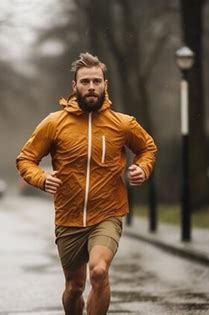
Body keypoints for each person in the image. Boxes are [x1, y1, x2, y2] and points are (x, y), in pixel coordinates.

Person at [16, 52, 157, 315]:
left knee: (99, 272)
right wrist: (42, 179)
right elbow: (25, 159)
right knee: (74, 287)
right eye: (85, 82)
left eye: (96, 81)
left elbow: (147, 148)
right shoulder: (53, 123)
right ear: (74, 87)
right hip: (68, 218)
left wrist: (142, 168)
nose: (91, 87)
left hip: (108, 213)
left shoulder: (123, 124)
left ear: (105, 85)